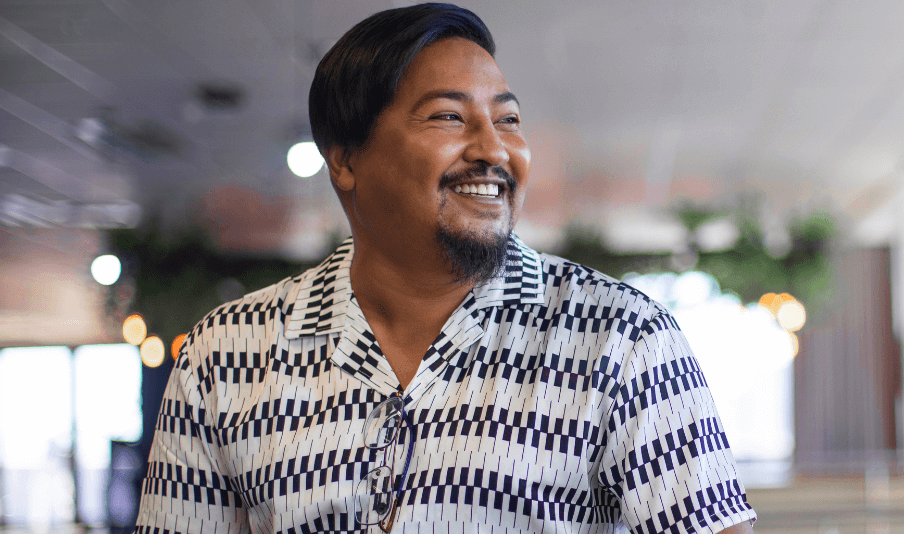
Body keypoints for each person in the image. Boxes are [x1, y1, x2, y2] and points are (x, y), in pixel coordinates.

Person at [134, 3, 757, 533]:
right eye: (449, 117)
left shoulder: (620, 338)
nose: (494, 149)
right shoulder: (225, 354)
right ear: (346, 158)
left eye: (508, 119)